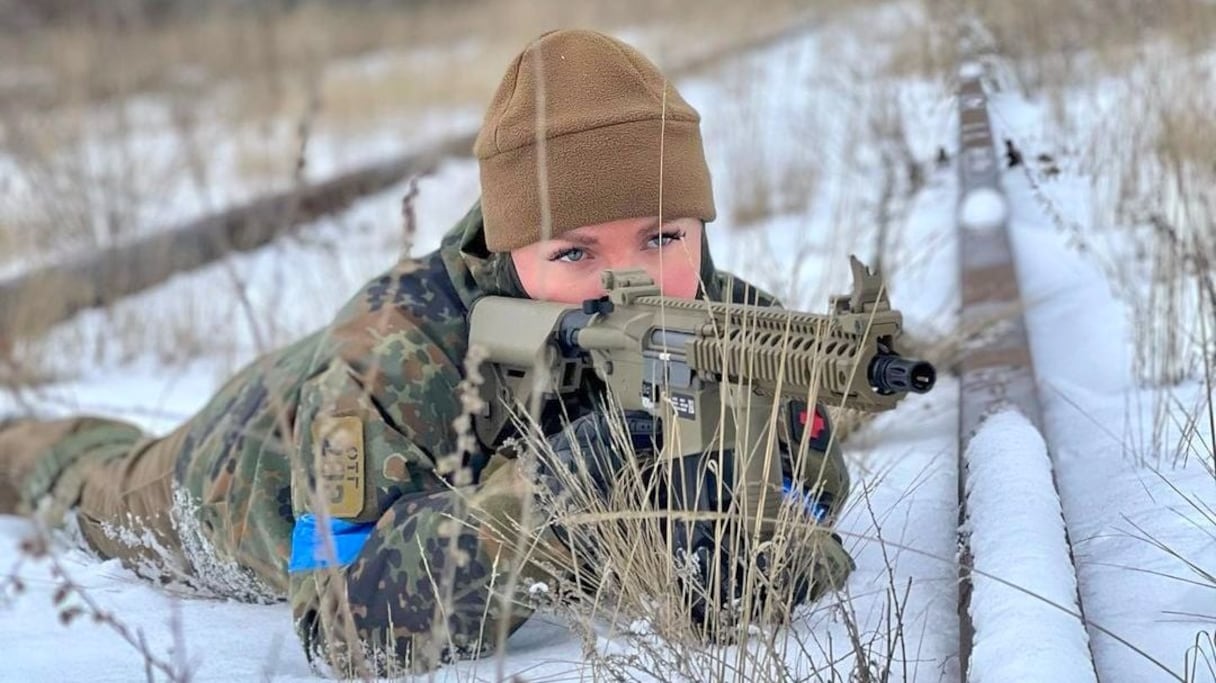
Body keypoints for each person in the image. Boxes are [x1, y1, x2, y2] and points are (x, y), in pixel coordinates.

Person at [0, 29, 853, 675]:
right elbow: (337, 623)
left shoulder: (722, 318)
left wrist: (748, 537)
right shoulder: (393, 352)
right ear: (511, 246)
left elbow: (812, 481)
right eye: (574, 253)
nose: (623, 281)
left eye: (662, 236)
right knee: (86, 480)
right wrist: (555, 493)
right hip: (239, 469)